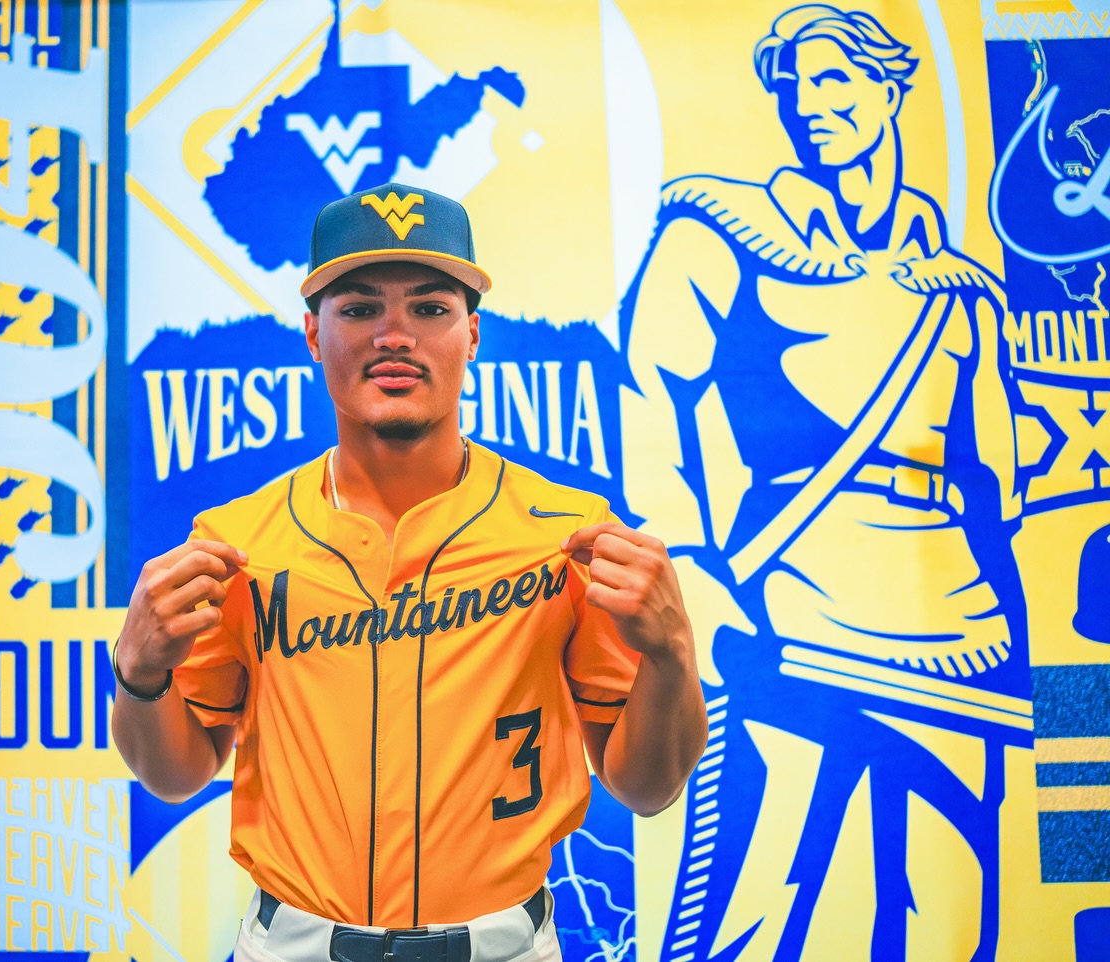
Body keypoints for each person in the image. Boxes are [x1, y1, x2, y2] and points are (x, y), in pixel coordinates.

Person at [112, 182, 709, 962]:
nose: (395, 336)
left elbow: (647, 788)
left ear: (473, 334)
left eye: (430, 308)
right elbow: (174, 774)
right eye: (360, 308)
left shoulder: (568, 536)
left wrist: (672, 656)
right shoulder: (239, 543)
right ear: (313, 333)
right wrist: (140, 676)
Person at [618, 6, 1026, 960]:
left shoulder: (957, 287)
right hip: (788, 618)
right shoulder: (720, 235)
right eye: (792, 85)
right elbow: (651, 402)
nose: (808, 104)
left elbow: (994, 487)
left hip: (955, 637)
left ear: (889, 88)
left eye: (834, 77)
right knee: (765, 911)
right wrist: (691, 573)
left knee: (945, 914)